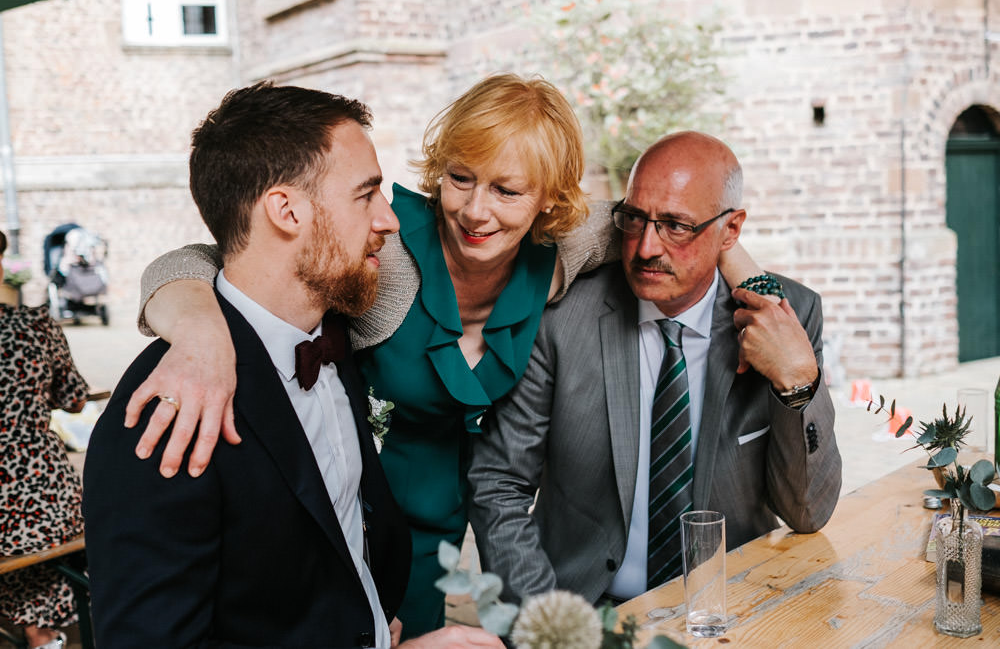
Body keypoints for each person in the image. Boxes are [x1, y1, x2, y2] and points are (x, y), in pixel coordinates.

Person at [124, 76, 765, 635]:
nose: (476, 211)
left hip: (472, 532)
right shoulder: (386, 247)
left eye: (508, 191)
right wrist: (201, 335)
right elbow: (197, 259)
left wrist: (760, 296)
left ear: (550, 200)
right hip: (364, 525)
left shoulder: (563, 247)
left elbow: (690, 229)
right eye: (461, 178)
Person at [82, 82, 502, 648]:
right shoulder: (173, 406)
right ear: (285, 210)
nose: (390, 220)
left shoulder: (336, 328)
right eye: (366, 194)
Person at [467, 131, 842, 605]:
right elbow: (499, 483)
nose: (646, 248)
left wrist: (798, 385)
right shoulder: (561, 316)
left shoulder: (786, 317)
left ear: (731, 231)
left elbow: (808, 512)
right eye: (636, 219)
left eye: (676, 226)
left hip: (729, 613)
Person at [0, 230, 90, 649]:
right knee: (47, 530)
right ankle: (44, 635)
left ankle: (36, 633)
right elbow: (73, 399)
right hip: (45, 500)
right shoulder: (33, 326)